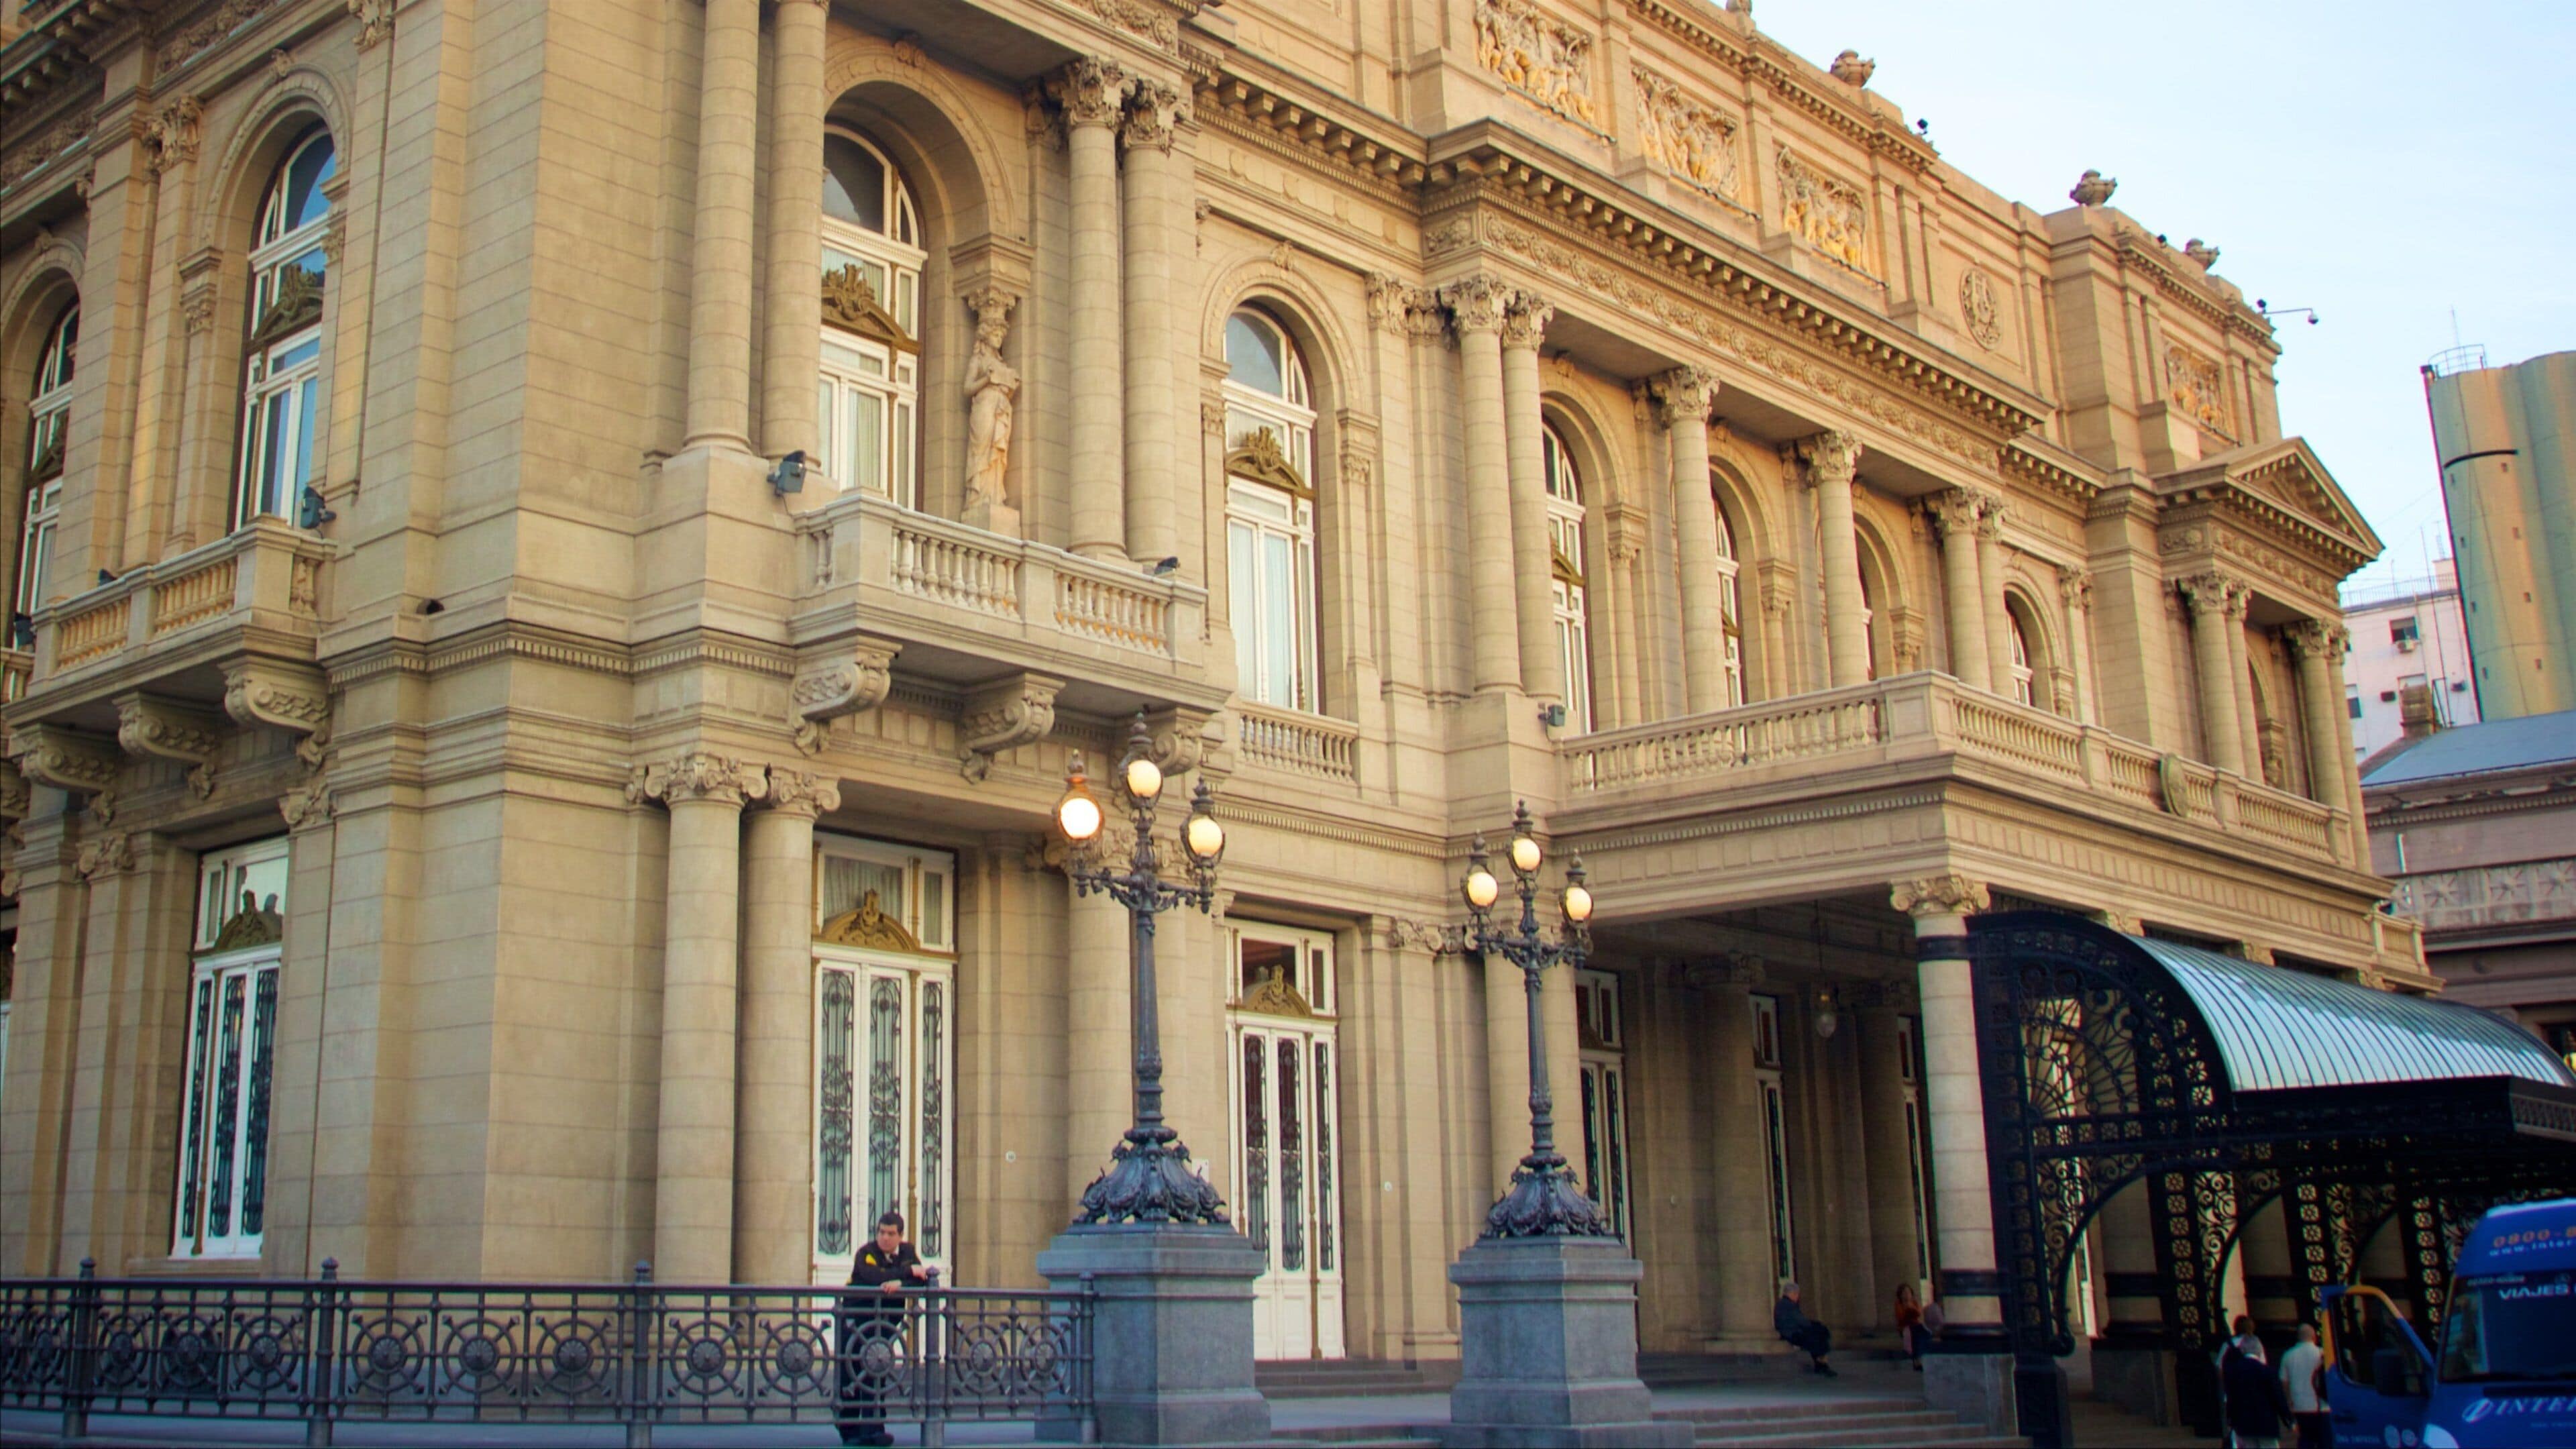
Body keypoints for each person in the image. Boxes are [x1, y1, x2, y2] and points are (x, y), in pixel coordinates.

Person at [837, 1211, 929, 1448]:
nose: (885, 1238)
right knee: (851, 1371)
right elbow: (871, 1277)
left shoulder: (907, 1252)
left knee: (875, 1371)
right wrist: (907, 1273)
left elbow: (923, 1278)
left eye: (890, 1234)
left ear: (900, 1236)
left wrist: (901, 1282)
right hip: (855, 1321)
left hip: (884, 1323)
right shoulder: (866, 1253)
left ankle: (874, 1429)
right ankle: (849, 1430)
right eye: (881, 1232)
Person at [2222, 1330, 2290, 1449]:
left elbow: (2231, 1398)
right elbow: (2278, 1397)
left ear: (2242, 1350)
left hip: (2244, 1423)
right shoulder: (2268, 1372)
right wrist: (2288, 1418)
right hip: (2266, 1423)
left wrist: (2230, 1419)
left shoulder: (2234, 1372)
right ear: (2260, 1351)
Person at [2277, 1323, 2330, 1449]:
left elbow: (2284, 1382)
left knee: (2305, 1438)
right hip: (2322, 1406)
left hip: (2299, 1406)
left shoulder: (2288, 1355)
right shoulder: (2322, 1354)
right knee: (2325, 1440)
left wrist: (2289, 1401)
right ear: (2314, 1337)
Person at [1774, 1281, 1835, 1377]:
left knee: (1817, 1334)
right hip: (1792, 1333)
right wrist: (1814, 1325)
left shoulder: (1783, 1304)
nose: (1798, 1297)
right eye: (1797, 1294)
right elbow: (1801, 1321)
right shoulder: (1789, 1305)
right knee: (1818, 1334)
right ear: (1793, 1294)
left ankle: (1821, 1363)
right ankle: (1822, 1364)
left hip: (1790, 1331)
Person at [1894, 1281, 1925, 1368]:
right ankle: (1916, 1360)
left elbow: (1918, 1313)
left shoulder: (1914, 1303)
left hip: (1915, 1326)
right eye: (1904, 1293)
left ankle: (1918, 1359)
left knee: (1920, 1333)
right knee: (1914, 1334)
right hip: (1905, 1327)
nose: (1907, 1294)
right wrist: (1908, 1310)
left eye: (1908, 1292)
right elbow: (1901, 1317)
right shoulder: (1898, 1304)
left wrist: (1911, 1308)